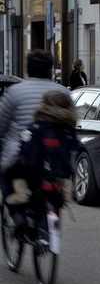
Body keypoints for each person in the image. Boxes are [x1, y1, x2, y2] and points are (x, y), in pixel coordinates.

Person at [0, 49, 72, 231]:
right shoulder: (63, 92)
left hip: (20, 155)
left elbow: (1, 125)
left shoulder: (14, 92)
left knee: (5, 177)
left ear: (27, 69)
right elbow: (71, 127)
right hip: (54, 158)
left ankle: (18, 217)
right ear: (50, 70)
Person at [4, 90, 79, 209]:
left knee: (15, 169)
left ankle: (21, 194)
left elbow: (26, 143)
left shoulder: (38, 125)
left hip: (35, 166)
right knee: (67, 171)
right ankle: (67, 189)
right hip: (60, 168)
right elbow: (74, 145)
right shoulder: (68, 128)